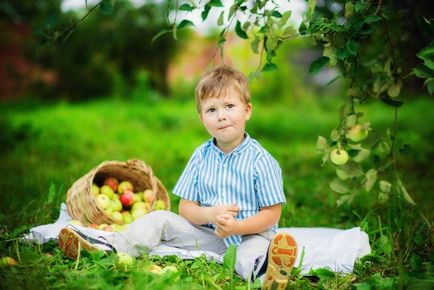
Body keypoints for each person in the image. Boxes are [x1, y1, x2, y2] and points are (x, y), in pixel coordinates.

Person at [58, 65, 297, 289]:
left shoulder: (261, 160)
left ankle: (267, 273)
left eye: (229, 107)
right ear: (202, 118)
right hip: (210, 234)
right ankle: (109, 248)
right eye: (212, 110)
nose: (221, 116)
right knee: (160, 218)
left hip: (250, 234)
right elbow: (185, 208)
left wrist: (237, 227)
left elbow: (271, 214)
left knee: (246, 257)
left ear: (247, 110)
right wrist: (210, 214)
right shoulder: (201, 156)